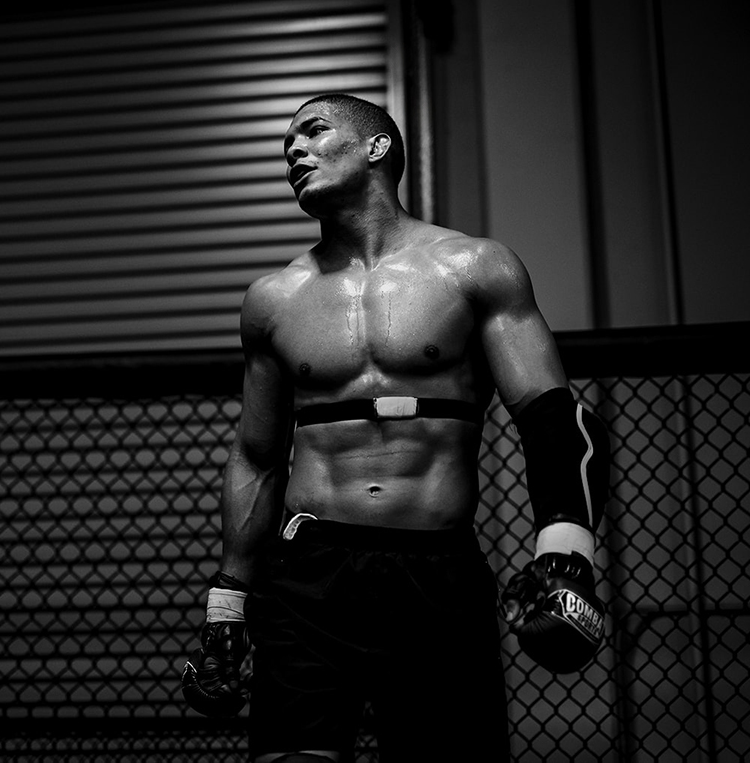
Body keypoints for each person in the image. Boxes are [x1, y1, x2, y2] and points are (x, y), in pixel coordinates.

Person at [180, 94, 610, 762]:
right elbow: (257, 457)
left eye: (313, 132)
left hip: (435, 574)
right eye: (286, 145)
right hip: (310, 576)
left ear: (377, 147)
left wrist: (565, 553)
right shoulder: (272, 299)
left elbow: (554, 418)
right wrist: (227, 603)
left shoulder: (475, 268)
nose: (293, 151)